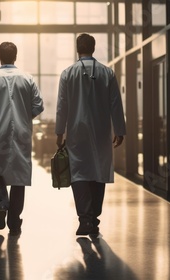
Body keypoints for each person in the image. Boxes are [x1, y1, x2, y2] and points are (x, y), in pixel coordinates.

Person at [55, 33, 126, 237]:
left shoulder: (67, 74)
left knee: (78, 173)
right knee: (98, 172)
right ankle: (94, 218)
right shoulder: (107, 73)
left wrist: (60, 132)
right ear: (93, 48)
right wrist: (119, 130)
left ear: (77, 49)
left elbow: (62, 106)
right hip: (101, 130)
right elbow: (115, 104)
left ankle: (84, 219)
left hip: (76, 132)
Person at [0, 42, 44, 235]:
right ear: (15, 57)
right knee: (19, 176)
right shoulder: (28, 78)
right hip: (22, 133)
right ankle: (14, 220)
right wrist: (23, 116)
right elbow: (38, 106)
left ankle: (0, 205)